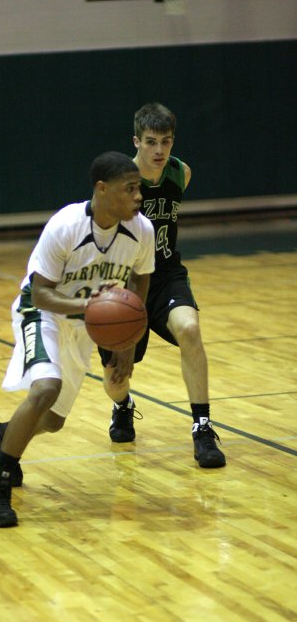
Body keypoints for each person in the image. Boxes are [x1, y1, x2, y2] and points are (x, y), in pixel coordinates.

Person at [0, 151, 156, 527]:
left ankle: (2, 437)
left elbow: (140, 285)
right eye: (131, 188)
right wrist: (90, 307)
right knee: (45, 389)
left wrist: (125, 341)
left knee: (54, 421)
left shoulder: (142, 230)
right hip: (40, 311)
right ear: (102, 189)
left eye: (139, 188)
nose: (139, 196)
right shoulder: (65, 226)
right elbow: (41, 293)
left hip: (82, 324)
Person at [100, 102, 226, 469]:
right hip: (123, 284)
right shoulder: (118, 183)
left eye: (165, 142)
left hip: (166, 274)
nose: (158, 150)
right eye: (151, 142)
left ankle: (202, 427)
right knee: (116, 379)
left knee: (189, 329)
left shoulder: (180, 173)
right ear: (136, 141)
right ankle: (123, 406)